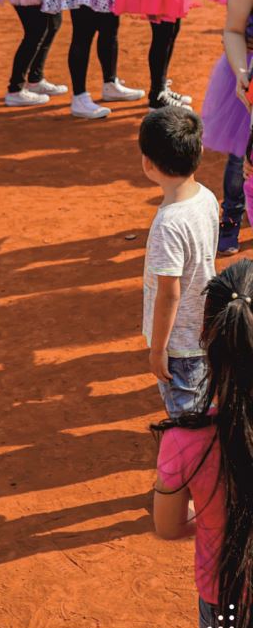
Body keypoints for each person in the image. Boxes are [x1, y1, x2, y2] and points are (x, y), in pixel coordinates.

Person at [154, 258, 253, 628]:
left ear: (207, 338)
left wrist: (210, 515)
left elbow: (169, 527)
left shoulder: (185, 440)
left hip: (224, 605)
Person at [139, 106, 218, 419]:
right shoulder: (207, 197)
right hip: (204, 328)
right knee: (204, 398)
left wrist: (158, 350)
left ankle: (200, 463)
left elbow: (169, 294)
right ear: (198, 150)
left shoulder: (167, 225)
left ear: (148, 163)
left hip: (180, 346)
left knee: (188, 417)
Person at [200, 0, 253, 258]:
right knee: (242, 155)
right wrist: (241, 72)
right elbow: (233, 29)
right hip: (251, 67)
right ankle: (232, 217)